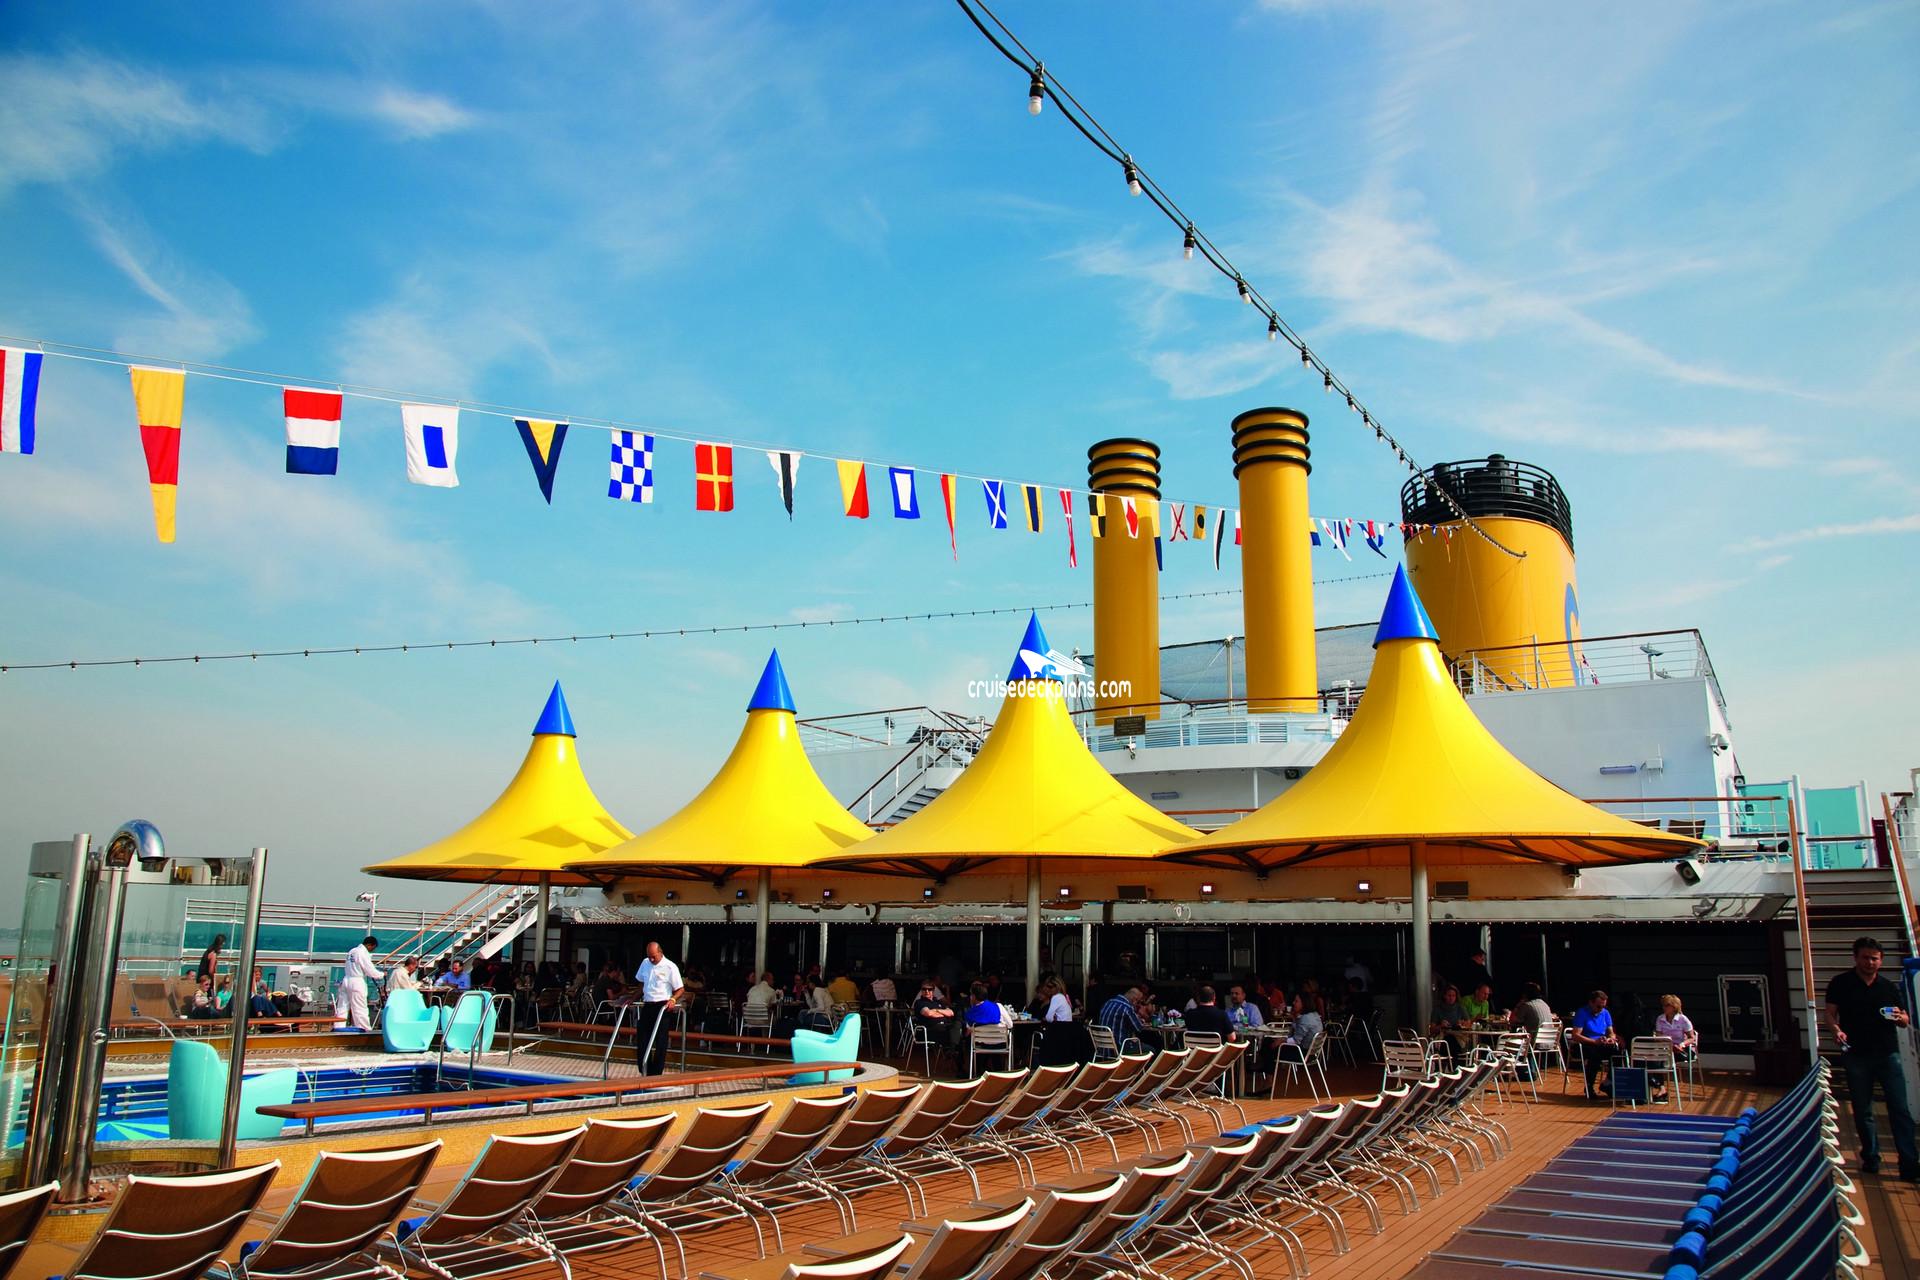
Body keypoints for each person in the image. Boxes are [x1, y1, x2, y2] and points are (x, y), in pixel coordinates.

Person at [1825, 936, 1918, 1179]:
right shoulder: (1841, 983)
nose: (1870, 962)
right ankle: (1871, 1157)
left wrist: (1900, 1018)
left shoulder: (1888, 987)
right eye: (1865, 958)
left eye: (1874, 959)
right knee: (1863, 1110)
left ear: (1881, 960)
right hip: (1856, 1055)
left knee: (1900, 1109)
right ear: (1855, 958)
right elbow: (1830, 1013)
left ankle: (1909, 1163)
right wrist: (1836, 1030)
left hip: (1887, 1054)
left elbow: (1904, 1019)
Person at [633, 939, 686, 1076]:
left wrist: (673, 999)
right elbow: (641, 985)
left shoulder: (670, 967)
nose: (651, 959)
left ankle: (656, 1073)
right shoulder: (645, 963)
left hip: (663, 1006)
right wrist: (631, 999)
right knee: (642, 1038)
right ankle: (645, 1069)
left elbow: (680, 989)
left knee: (661, 1040)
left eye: (654, 957)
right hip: (648, 1004)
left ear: (660, 953)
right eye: (649, 956)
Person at [1568, 989, 1622, 1098]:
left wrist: (1611, 1039)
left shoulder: (1605, 1013)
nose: (1601, 1009)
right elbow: (1576, 1035)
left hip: (1601, 1044)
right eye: (1598, 1006)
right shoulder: (1582, 1013)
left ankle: (1608, 1083)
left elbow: (1611, 1032)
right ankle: (1589, 1086)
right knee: (1595, 1055)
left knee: (1618, 1053)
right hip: (1586, 1043)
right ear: (1591, 1003)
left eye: (1603, 1006)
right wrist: (1594, 1041)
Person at [337, 935, 382, 1031]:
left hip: (346, 980)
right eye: (373, 948)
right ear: (370, 945)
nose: (372, 950)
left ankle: (338, 1027)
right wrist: (381, 974)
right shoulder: (362, 953)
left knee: (342, 1007)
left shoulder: (352, 951)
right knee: (360, 1008)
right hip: (357, 981)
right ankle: (364, 1030)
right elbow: (370, 970)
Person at [1098, 986, 1161, 1052]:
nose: (1138, 1004)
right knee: (1151, 1050)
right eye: (1138, 1002)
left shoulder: (1108, 1002)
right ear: (1134, 1000)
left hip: (1103, 1049)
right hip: (1120, 1048)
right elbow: (1138, 1028)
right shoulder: (1126, 1007)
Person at [913, 979, 961, 1055]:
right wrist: (943, 1013)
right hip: (931, 1030)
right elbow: (928, 1013)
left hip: (945, 1027)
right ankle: (952, 1050)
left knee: (958, 1024)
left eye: (929, 989)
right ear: (921, 991)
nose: (927, 991)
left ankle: (953, 1050)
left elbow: (951, 1013)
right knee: (956, 1035)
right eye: (924, 989)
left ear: (933, 991)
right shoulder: (920, 1002)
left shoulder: (938, 1002)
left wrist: (936, 1010)